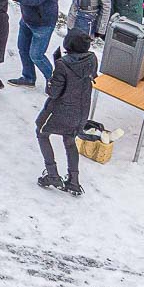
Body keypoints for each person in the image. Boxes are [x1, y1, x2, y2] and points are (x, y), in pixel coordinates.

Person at [37, 30, 97, 195]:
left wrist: (51, 78)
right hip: (80, 111)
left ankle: (52, 174)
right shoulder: (92, 58)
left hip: (60, 111)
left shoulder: (63, 65)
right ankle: (74, 180)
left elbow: (54, 92)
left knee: (42, 132)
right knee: (70, 141)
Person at [3, 0, 62, 88]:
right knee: (22, 48)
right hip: (27, 18)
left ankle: (54, 82)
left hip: (42, 23)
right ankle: (28, 77)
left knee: (37, 55)